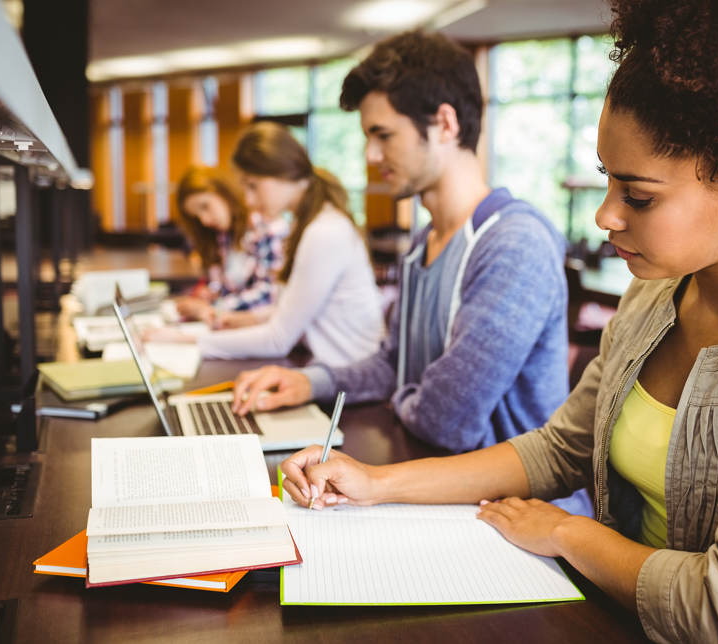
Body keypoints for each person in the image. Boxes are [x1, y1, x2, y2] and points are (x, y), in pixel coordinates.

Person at [277, 1, 718, 642]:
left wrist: (567, 532)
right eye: (606, 183)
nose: (605, 217)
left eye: (638, 196)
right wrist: (372, 482)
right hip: (604, 611)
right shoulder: (656, 294)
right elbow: (558, 448)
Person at [232, 31, 588, 514]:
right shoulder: (423, 242)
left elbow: (447, 420)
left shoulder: (512, 243)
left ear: (444, 123)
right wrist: (308, 383)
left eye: (383, 135)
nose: (370, 157)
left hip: (519, 518)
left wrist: (403, 394)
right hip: (441, 490)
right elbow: (393, 365)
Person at [153, 122, 385, 367]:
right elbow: (293, 310)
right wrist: (242, 319)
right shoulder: (308, 224)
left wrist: (186, 341)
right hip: (328, 368)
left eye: (253, 186)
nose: (249, 200)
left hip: (352, 380)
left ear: (282, 170)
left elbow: (278, 340)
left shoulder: (324, 232)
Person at [171, 165, 288, 328]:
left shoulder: (269, 229)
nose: (204, 220)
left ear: (224, 192)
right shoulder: (224, 237)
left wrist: (211, 309)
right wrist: (211, 295)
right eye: (197, 217)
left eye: (205, 206)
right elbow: (234, 288)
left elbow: (268, 297)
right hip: (235, 330)